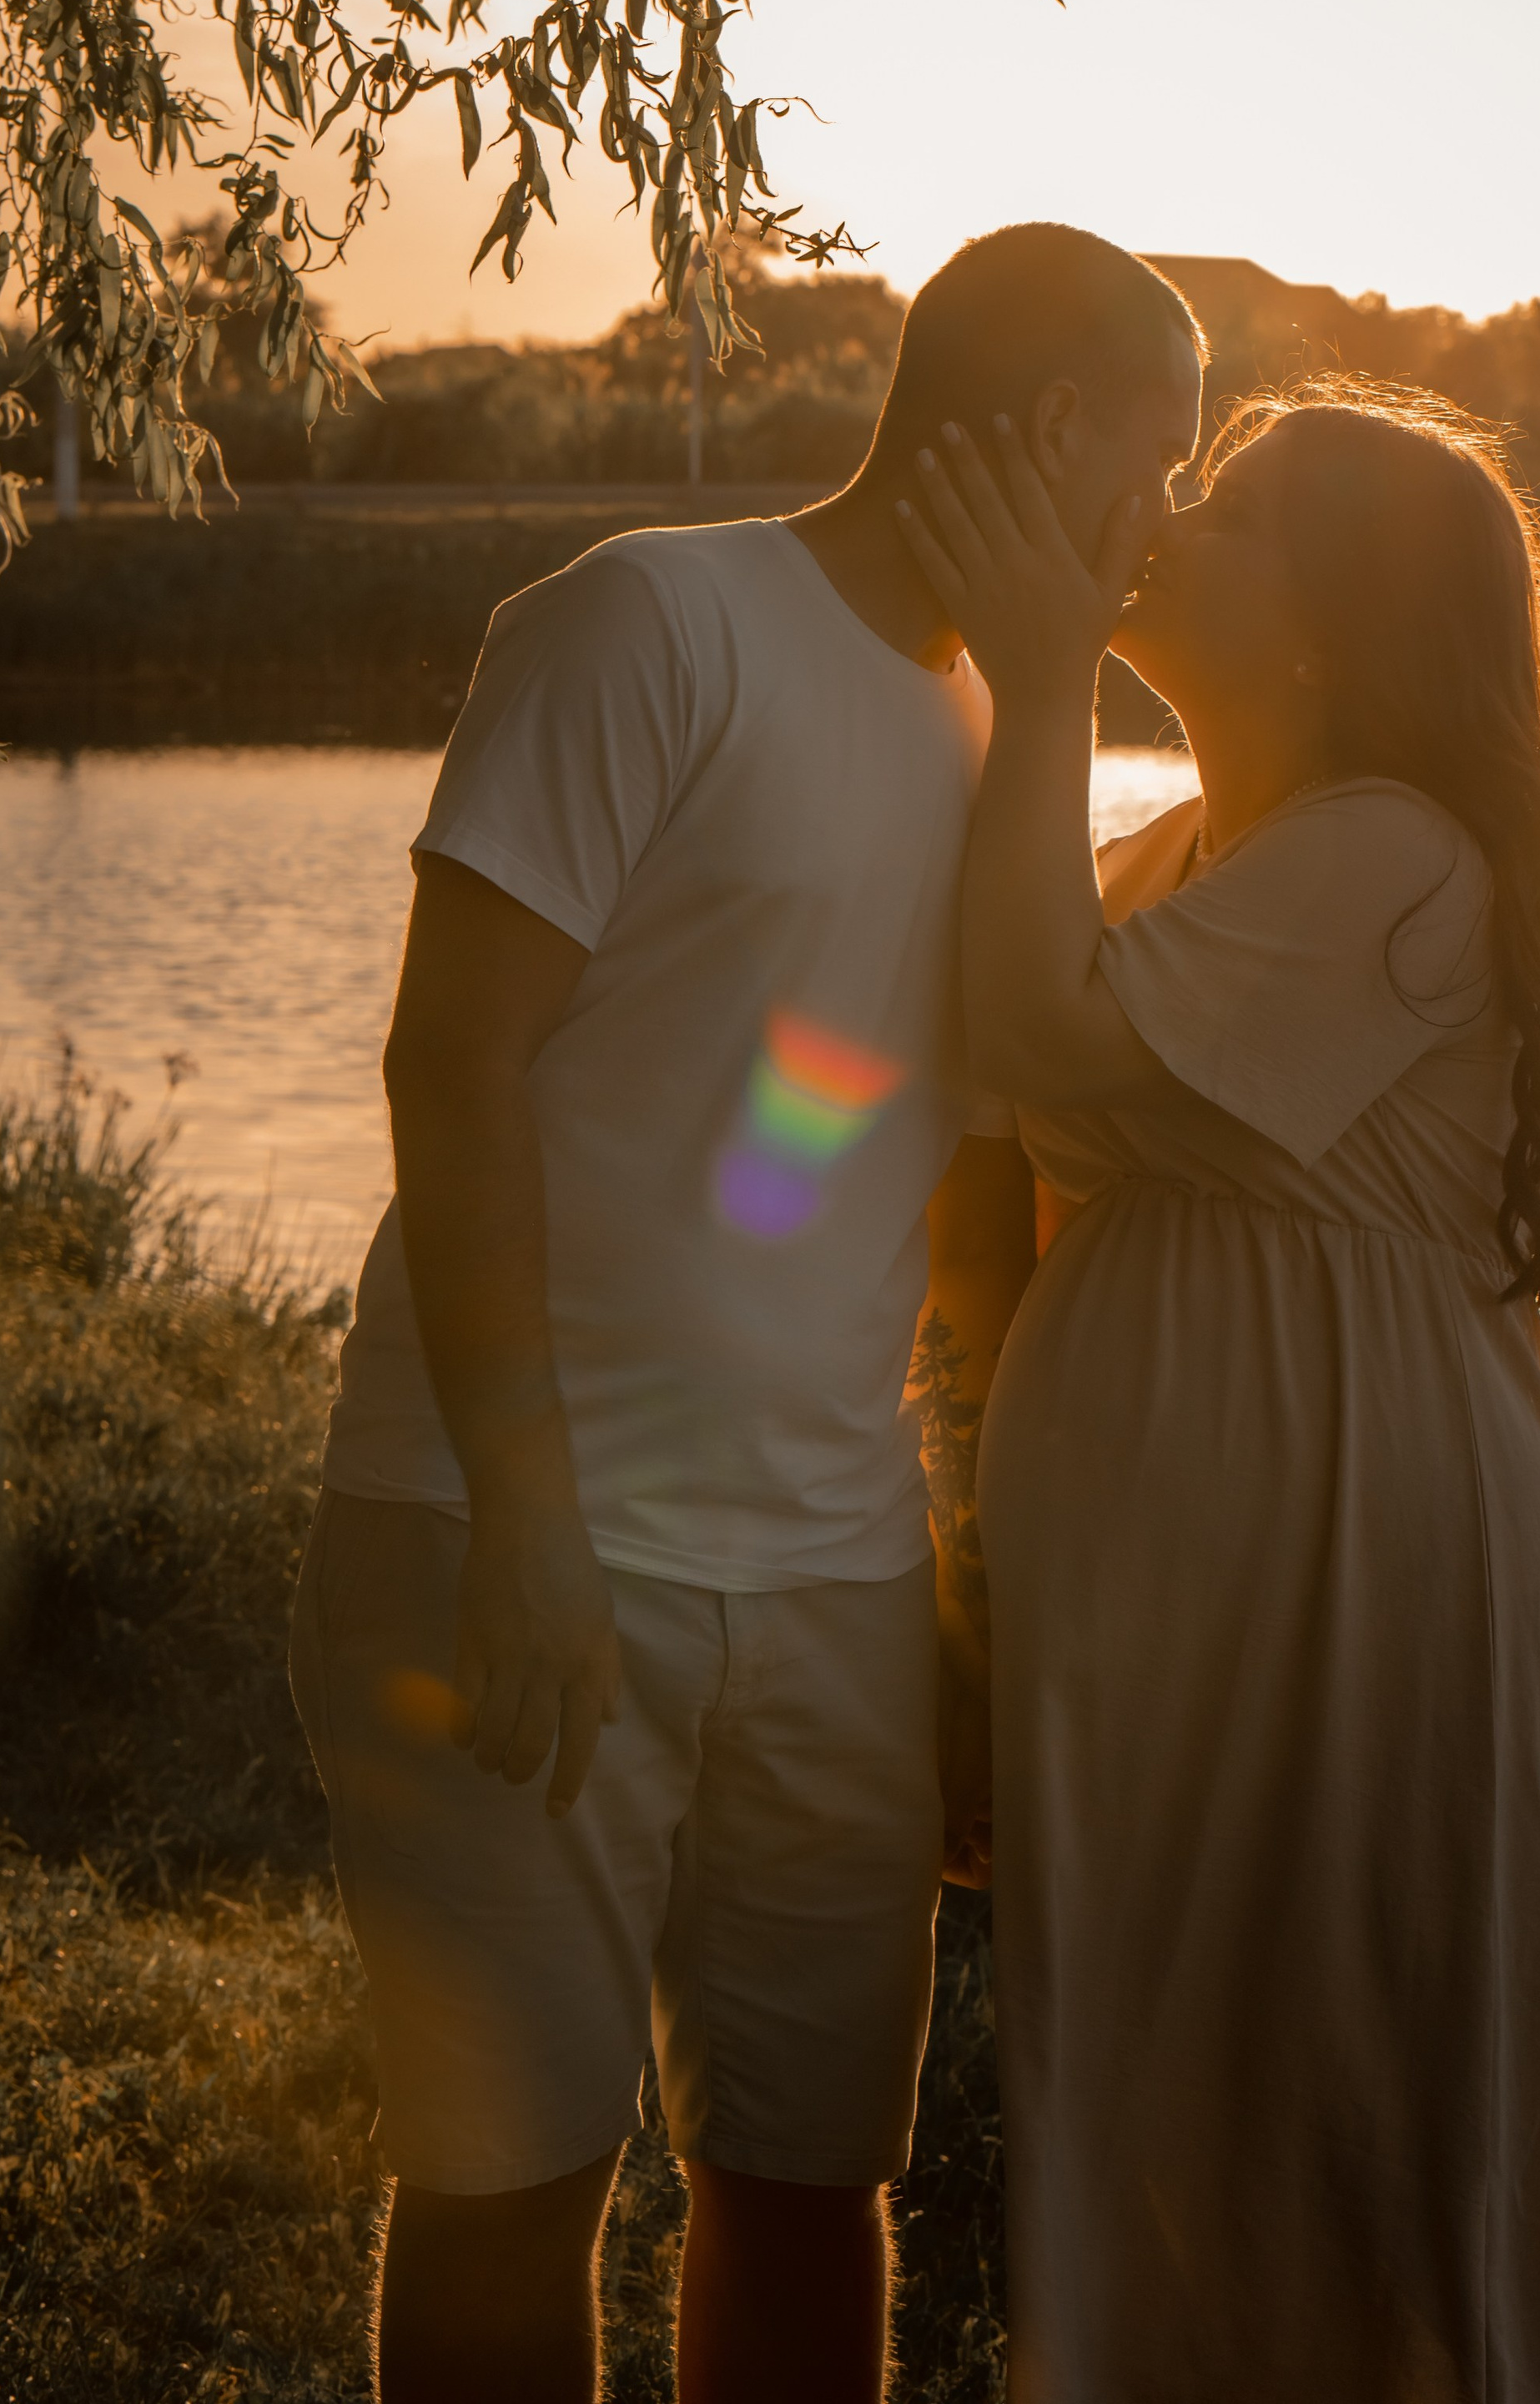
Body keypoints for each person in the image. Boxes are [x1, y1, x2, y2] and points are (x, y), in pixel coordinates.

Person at [288, 222, 1205, 2404]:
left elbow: (967, 1198)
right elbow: (454, 1060)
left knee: (814, 2179)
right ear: (1057, 422)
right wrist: (527, 1517)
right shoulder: (651, 620)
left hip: (833, 1580)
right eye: (1151, 465)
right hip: (513, 1532)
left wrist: (961, 1627)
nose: (1158, 530)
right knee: (518, 2178)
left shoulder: (1013, 731)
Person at [894, 381, 1540, 2403]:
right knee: (1185, 2103)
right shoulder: (1174, 852)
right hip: (1177, 1614)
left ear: (1323, 632)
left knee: (1360, 2089)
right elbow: (971, 1141)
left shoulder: (1392, 865)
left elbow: (1027, 1031)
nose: (1171, 507)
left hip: (1350, 1579)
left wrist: (1028, 659)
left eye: (1236, 508)